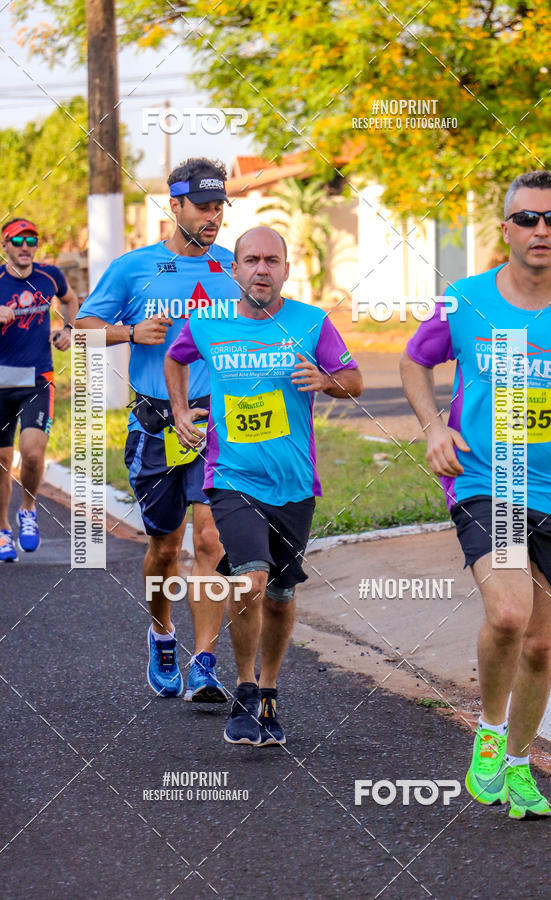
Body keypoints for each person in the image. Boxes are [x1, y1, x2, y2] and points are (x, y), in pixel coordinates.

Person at [400, 169, 551, 819]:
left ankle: (519, 765)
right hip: (490, 478)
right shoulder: (465, 300)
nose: (540, 229)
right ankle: (489, 733)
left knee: (540, 645)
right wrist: (433, 427)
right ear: (505, 229)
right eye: (527, 218)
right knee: (510, 613)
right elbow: (414, 360)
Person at [165, 225, 363, 746]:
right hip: (232, 477)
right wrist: (181, 410)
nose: (261, 269)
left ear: (286, 270)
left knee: (279, 594)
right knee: (249, 581)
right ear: (234, 270)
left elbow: (354, 380)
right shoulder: (207, 323)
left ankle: (270, 692)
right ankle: (245, 688)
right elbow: (175, 357)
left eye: (271, 261)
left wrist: (326, 381)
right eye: (251, 260)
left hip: (294, 483)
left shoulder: (311, 322)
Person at [77, 158, 240, 703]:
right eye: (204, 207)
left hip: (217, 421)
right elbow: (81, 329)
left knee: (211, 539)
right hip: (155, 424)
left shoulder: (232, 267)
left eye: (219, 207)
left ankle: (205, 662)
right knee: (165, 549)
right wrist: (129, 332)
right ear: (174, 206)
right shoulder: (134, 268)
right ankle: (163, 632)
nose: (214, 217)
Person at [0, 218, 78, 561]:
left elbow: (70, 300)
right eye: (17, 240)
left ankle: (28, 509)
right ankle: (3, 529)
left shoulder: (50, 276)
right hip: (0, 383)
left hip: (37, 379)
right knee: (3, 461)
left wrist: (69, 330)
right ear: (4, 246)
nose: (25, 247)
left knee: (32, 452)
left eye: (31, 240)